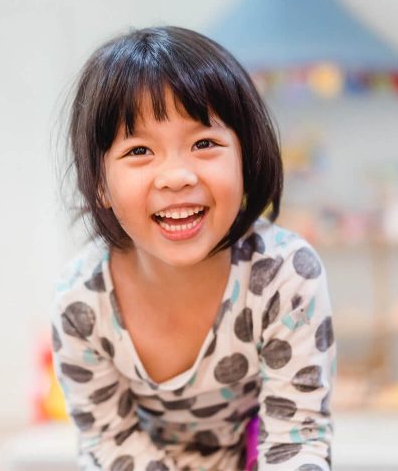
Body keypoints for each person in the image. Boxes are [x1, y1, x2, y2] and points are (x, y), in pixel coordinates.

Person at [51, 26, 336, 471]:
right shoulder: (80, 301)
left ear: (246, 157)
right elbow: (109, 440)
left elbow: (297, 437)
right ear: (101, 183)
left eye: (204, 143)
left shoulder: (284, 274)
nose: (176, 176)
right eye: (139, 150)